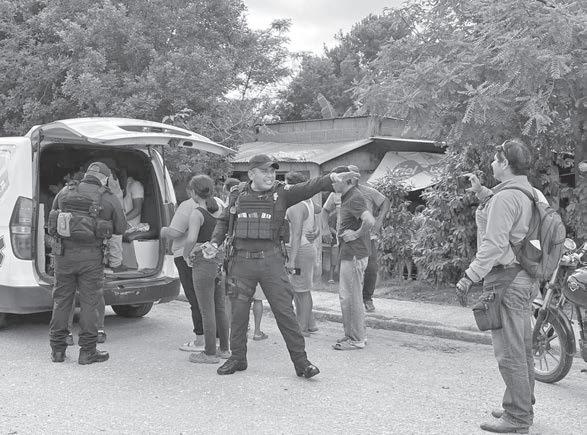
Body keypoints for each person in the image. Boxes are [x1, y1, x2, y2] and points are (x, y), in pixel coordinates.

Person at [201, 154, 359, 378]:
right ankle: (237, 358)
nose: (270, 175)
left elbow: (309, 186)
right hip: (240, 263)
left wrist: (330, 178)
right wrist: (214, 243)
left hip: (272, 262)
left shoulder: (282, 192)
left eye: (273, 171)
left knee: (285, 313)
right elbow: (224, 221)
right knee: (238, 313)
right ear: (251, 174)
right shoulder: (236, 194)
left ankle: (301, 363)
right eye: (264, 171)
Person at [455, 139, 547, 434]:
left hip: (506, 280)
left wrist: (469, 276)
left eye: (496, 160)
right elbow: (515, 221)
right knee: (522, 348)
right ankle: (522, 404)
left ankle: (518, 417)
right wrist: (482, 191)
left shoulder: (505, 198)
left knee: (509, 352)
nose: (492, 164)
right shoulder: (531, 192)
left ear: (506, 163)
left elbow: (494, 244)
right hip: (526, 277)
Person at [48, 162, 126, 364]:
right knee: (90, 302)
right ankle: (87, 351)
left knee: (61, 300)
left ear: (86, 175)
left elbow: (53, 217)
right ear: (105, 179)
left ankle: (58, 350)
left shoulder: (65, 191)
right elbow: (121, 228)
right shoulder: (108, 197)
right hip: (91, 258)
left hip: (63, 255)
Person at [322, 166, 389, 312]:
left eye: (357, 175)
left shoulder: (366, 192)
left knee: (371, 268)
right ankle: (353, 304)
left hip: (366, 237)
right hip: (345, 239)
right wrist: (325, 228)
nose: (355, 178)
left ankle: (366, 298)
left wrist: (379, 219)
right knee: (348, 273)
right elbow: (325, 210)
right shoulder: (337, 193)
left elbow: (385, 202)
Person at [183, 175, 230, 364]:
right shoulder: (221, 210)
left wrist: (186, 254)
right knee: (220, 307)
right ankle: (224, 349)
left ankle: (209, 353)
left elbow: (191, 238)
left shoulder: (197, 213)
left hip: (203, 260)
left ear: (194, 192)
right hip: (219, 259)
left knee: (206, 309)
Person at [329, 166, 375, 351]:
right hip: (351, 253)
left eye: (335, 180)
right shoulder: (348, 196)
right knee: (348, 296)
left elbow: (369, 220)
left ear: (347, 181)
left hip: (354, 253)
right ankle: (354, 334)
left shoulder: (354, 197)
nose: (332, 184)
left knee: (351, 297)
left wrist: (355, 234)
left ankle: (356, 339)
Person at [160, 186, 206, 352]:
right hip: (211, 255)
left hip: (188, 256)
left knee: (195, 299)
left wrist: (163, 231)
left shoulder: (189, 206)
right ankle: (217, 338)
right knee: (213, 300)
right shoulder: (218, 203)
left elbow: (176, 232)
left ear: (192, 191)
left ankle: (200, 339)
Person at [284, 172, 318, 336]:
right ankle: (310, 323)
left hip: (298, 251)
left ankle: (302, 328)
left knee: (301, 290)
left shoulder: (297, 205)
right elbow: (318, 216)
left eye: (286, 185)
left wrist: (291, 260)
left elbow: (296, 234)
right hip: (304, 248)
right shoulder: (308, 201)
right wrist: (316, 232)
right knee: (301, 288)